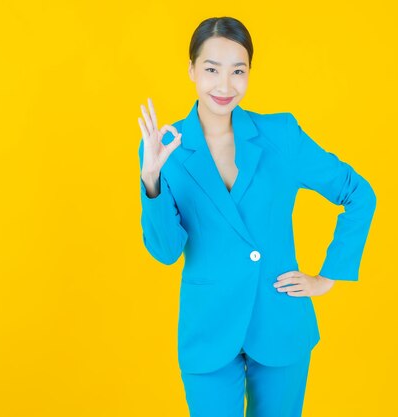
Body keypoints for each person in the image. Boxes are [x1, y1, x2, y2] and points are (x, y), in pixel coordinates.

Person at [137, 16, 377, 417]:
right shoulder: (165, 148)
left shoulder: (281, 135)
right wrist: (151, 181)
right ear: (192, 70)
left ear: (250, 73)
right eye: (212, 70)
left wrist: (328, 276)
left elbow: (358, 194)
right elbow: (165, 251)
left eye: (238, 71)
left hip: (280, 322)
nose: (225, 86)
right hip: (209, 328)